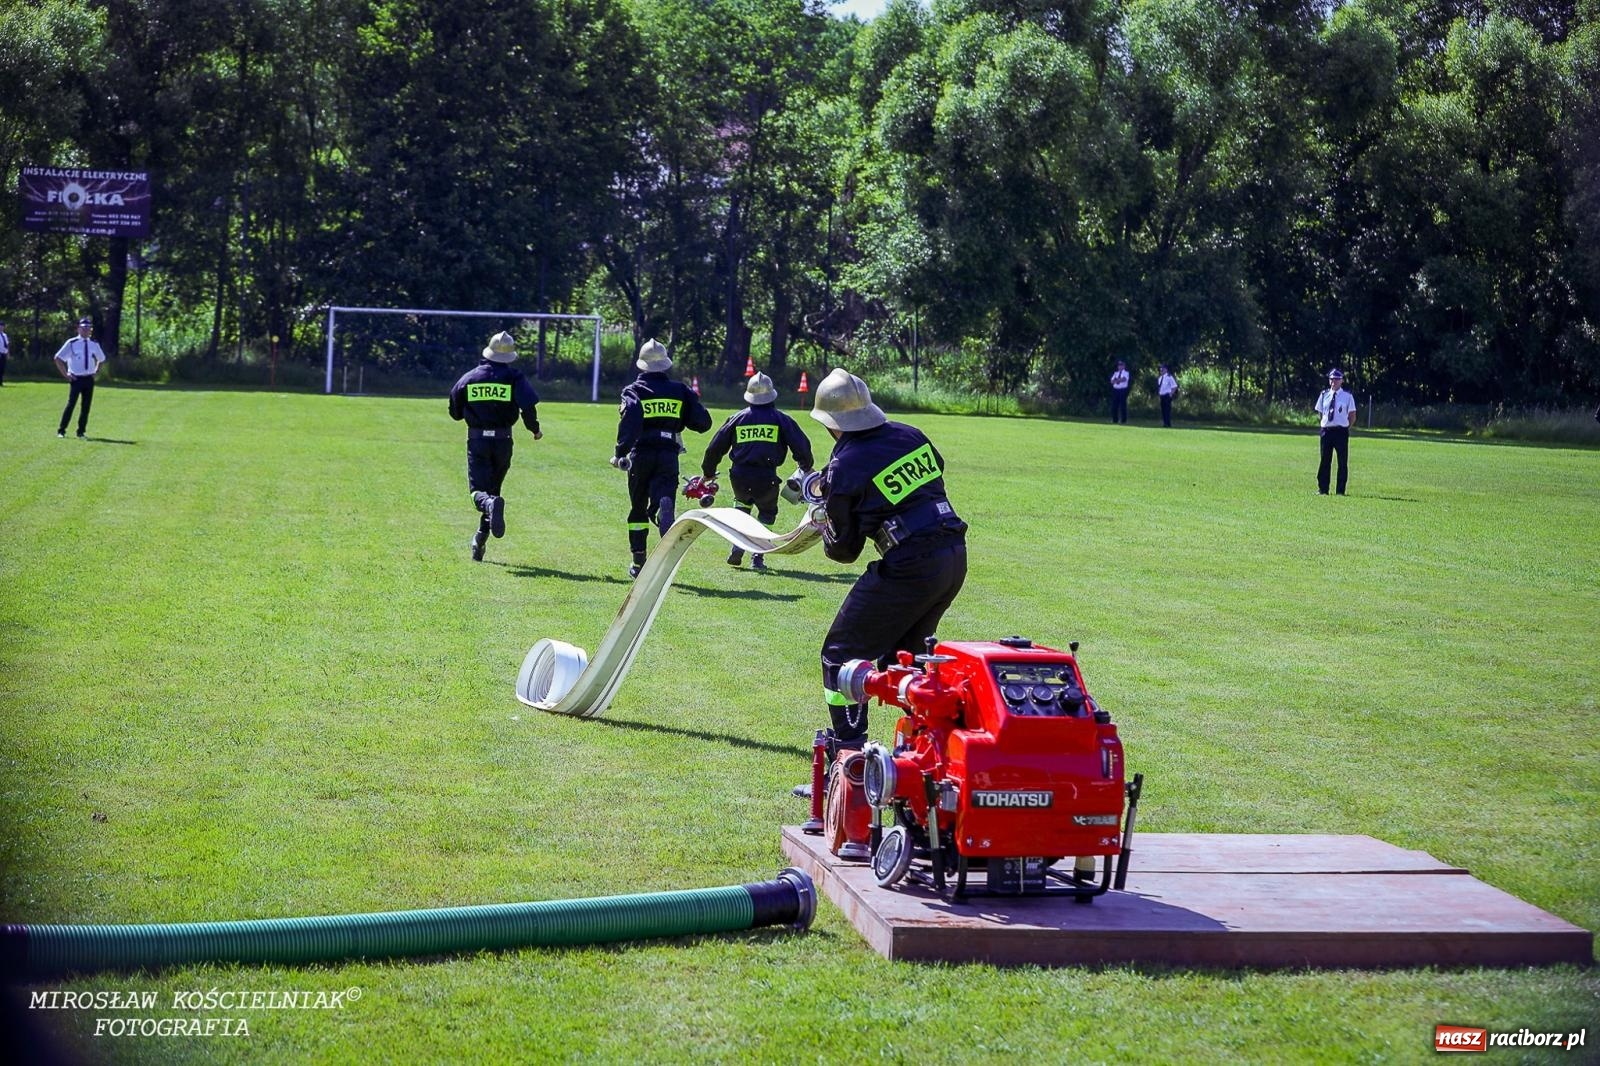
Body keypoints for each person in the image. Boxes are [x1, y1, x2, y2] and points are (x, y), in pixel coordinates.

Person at [810, 367, 967, 753]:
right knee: (904, 662)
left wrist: (826, 519)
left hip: (911, 564)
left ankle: (848, 754)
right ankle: (919, 755)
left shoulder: (845, 465)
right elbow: (927, 474)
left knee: (841, 655)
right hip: (953, 557)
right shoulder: (910, 434)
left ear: (832, 424)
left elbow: (844, 552)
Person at [613, 338, 712, 578]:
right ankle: (662, 507)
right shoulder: (680, 390)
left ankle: (638, 563)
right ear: (665, 364)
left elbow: (631, 421)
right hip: (669, 452)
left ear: (641, 365)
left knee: (637, 508)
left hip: (642, 452)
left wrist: (620, 452)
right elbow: (702, 423)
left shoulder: (634, 391)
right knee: (665, 490)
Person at [700, 371, 815, 571]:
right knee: (767, 513)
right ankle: (758, 556)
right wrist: (806, 466)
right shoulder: (781, 419)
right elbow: (801, 446)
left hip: (739, 476)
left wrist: (708, 472)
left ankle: (737, 545)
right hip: (766, 476)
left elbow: (714, 448)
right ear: (772, 395)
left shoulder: (737, 418)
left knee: (742, 507)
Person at [448, 330, 542, 561]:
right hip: (503, 442)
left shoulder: (470, 378)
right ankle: (480, 538)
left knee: (478, 493)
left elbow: (454, 411)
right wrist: (535, 429)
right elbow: (528, 408)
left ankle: (485, 520)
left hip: (478, 441)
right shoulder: (515, 378)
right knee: (493, 493)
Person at [54, 317, 106, 438]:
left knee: (86, 406)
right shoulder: (72, 343)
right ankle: (61, 430)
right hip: (76, 378)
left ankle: (81, 431)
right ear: (78, 329)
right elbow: (58, 358)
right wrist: (66, 375)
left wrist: (96, 371)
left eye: (88, 329)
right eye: (83, 328)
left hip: (88, 378)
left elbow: (102, 359)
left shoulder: (94, 343)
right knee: (71, 404)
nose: (86, 331)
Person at [1314, 368, 1358, 495]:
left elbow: (1352, 415)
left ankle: (1340, 490)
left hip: (1341, 432)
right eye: (1332, 379)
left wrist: (1345, 427)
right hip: (1326, 432)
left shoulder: (1347, 396)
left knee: (1342, 462)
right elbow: (1320, 412)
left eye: (1337, 379)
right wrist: (1325, 424)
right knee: (1324, 461)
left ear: (1341, 381)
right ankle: (1323, 489)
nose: (1334, 381)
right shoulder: (1324, 395)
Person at [0, 319, 10, 385]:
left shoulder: (4, 335)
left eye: (2, 326)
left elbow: (7, 344)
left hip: (4, 353)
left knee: (2, 368)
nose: (1, 327)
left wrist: (8, 353)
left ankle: (1, 381)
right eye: (0, 326)